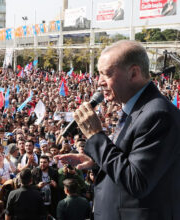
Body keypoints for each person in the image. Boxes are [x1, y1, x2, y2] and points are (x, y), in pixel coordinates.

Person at [55, 40, 180, 220]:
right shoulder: (136, 109)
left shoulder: (158, 115)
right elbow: (130, 162)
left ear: (133, 73)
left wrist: (96, 137)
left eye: (106, 74)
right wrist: (96, 161)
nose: (99, 82)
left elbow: (137, 181)